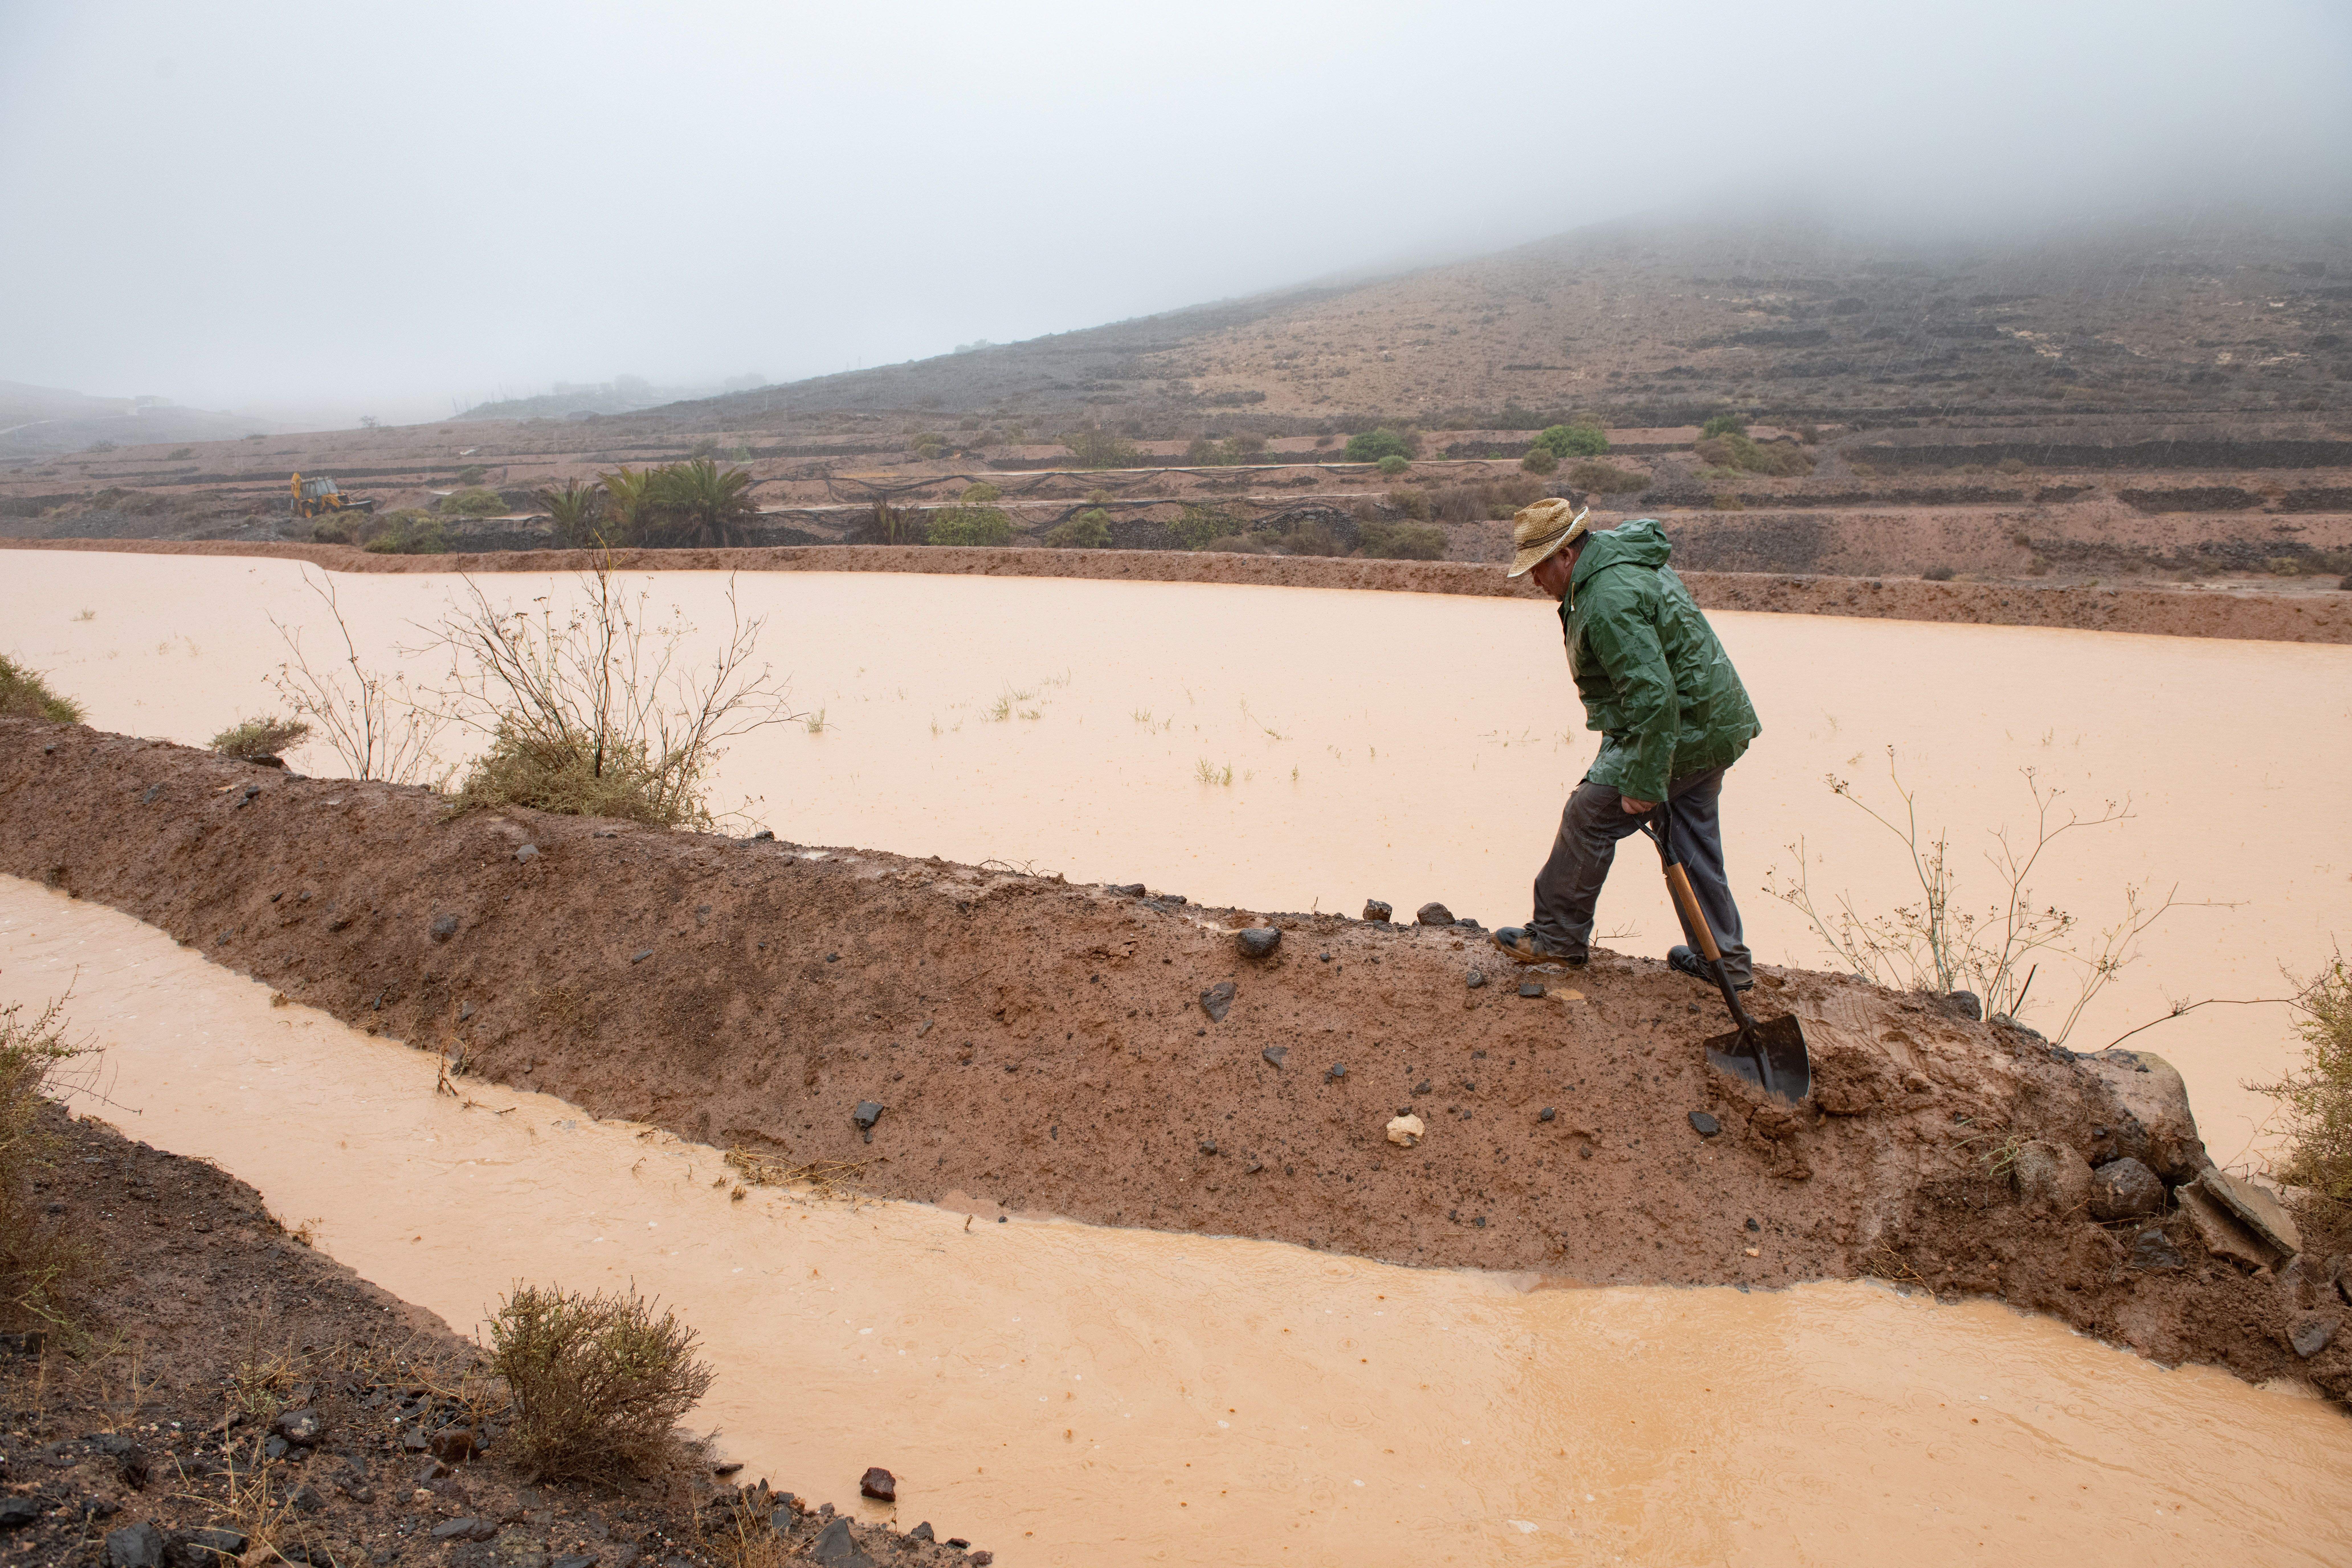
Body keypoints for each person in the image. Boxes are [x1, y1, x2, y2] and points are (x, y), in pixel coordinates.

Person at [1490, 497, 1763, 989]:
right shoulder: (1619, 561)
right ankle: (1724, 962)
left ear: (1567, 556)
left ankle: (1557, 939)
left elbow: (1652, 697)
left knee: (1589, 815)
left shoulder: (1607, 598)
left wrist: (1643, 778)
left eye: (1538, 568)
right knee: (1689, 835)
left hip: (1686, 729)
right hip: (1713, 721)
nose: (1534, 581)